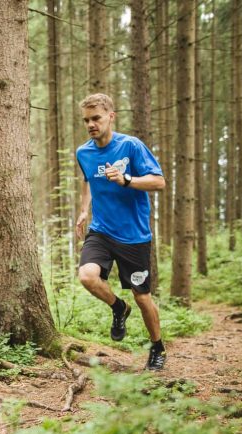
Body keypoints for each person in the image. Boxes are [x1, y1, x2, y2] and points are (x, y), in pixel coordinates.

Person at [74, 93, 167, 371]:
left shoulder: (131, 146)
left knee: (142, 297)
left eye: (96, 118)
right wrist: (84, 210)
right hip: (101, 231)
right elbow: (88, 180)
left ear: (111, 117)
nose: (91, 124)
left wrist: (127, 180)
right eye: (86, 120)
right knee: (87, 276)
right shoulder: (83, 152)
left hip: (133, 236)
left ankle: (158, 347)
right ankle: (118, 308)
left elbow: (159, 182)